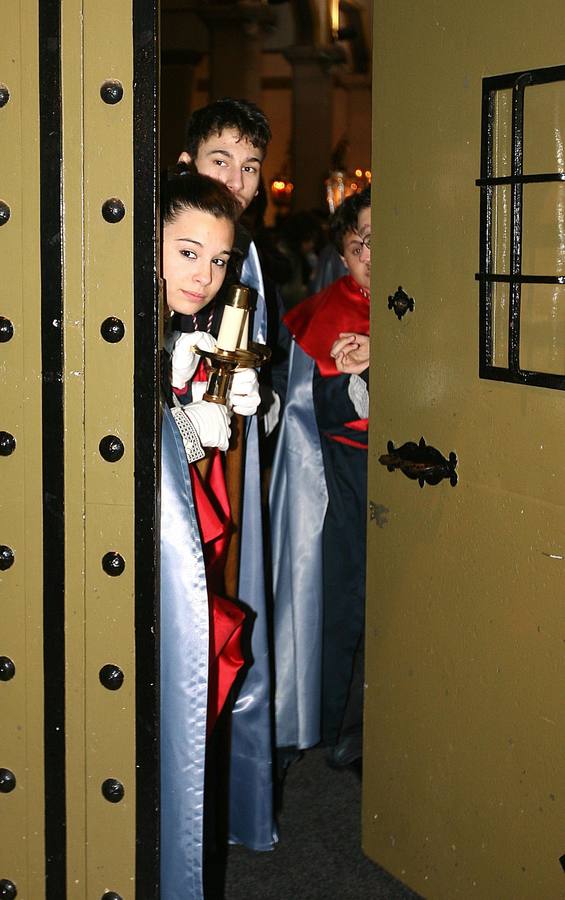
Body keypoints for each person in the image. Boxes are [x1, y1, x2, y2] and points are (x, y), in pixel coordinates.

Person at [177, 98, 277, 853]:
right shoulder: (176, 238)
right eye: (221, 163)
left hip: (217, 470)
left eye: (249, 169)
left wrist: (253, 398)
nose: (238, 184)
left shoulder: (240, 254)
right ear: (185, 166)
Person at [160, 171, 260, 900]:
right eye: (189, 252)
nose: (206, 275)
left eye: (220, 260)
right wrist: (187, 431)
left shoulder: (185, 328)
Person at [270, 187, 371, 770]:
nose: (373, 254)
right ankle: (333, 723)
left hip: (414, 474)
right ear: (342, 249)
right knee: (342, 603)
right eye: (362, 243)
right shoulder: (323, 312)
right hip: (343, 477)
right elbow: (327, 408)